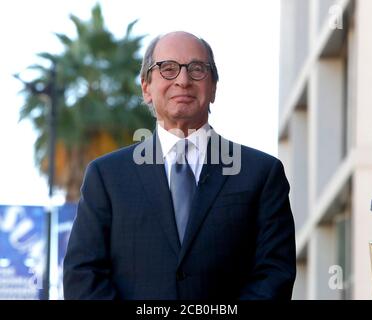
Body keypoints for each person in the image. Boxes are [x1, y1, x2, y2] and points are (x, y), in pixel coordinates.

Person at [63, 31, 296, 300]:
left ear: (214, 88)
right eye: (168, 69)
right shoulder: (106, 177)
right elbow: (83, 275)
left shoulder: (261, 174)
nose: (183, 80)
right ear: (146, 87)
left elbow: (274, 274)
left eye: (197, 70)